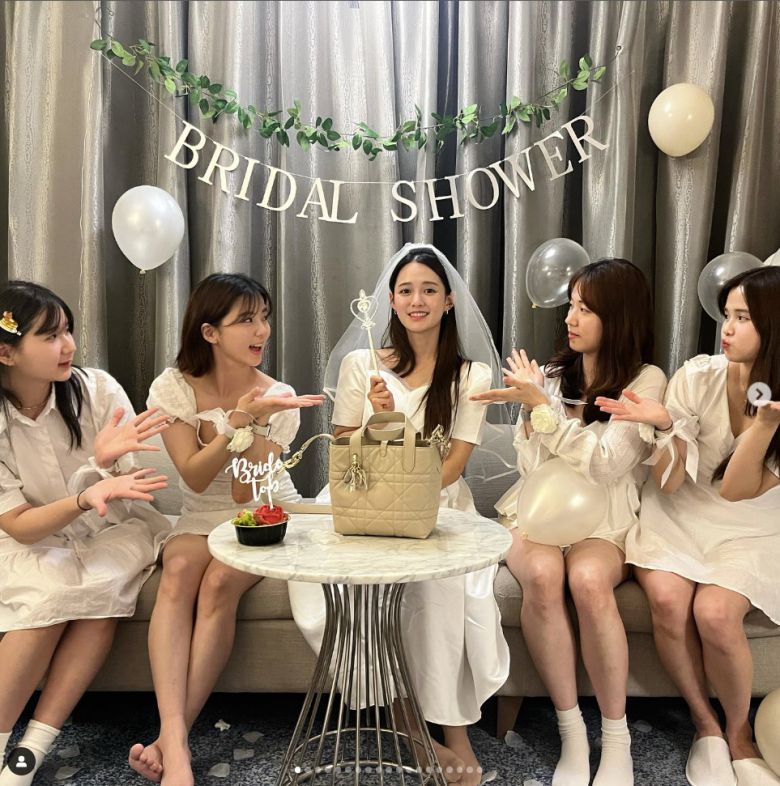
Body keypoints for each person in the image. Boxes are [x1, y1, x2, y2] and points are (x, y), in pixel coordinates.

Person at [288, 244, 510, 786]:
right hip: (363, 500)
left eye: (429, 290)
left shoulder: (472, 374)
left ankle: (455, 731)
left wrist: (411, 494)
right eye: (406, 290)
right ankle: (409, 723)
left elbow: (453, 465)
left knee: (442, 590)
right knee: (364, 591)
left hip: (438, 504)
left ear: (449, 300)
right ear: (390, 300)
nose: (417, 300)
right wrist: (378, 420)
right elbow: (345, 452)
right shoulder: (361, 364)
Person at [473, 258, 666, 786]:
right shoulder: (554, 377)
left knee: (587, 581)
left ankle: (617, 739)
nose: (570, 318)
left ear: (618, 315)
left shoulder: (646, 381)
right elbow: (531, 467)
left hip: (604, 519)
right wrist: (535, 409)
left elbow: (606, 465)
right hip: (535, 509)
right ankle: (572, 732)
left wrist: (545, 411)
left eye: (585, 308)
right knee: (541, 575)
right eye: (571, 306)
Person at [128, 273, 324, 786]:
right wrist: (236, 421)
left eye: (264, 318)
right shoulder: (173, 387)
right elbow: (194, 476)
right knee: (180, 571)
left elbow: (243, 494)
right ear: (210, 332)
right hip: (198, 513)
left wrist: (254, 423)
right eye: (247, 320)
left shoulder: (277, 396)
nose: (262, 331)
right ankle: (175, 739)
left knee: (218, 583)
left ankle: (172, 742)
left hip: (263, 510)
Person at [597, 266, 780, 786]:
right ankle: (706, 725)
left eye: (743, 318)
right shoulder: (698, 376)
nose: (727, 329)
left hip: (750, 522)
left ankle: (740, 733)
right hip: (677, 511)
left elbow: (737, 490)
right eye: (727, 315)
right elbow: (672, 481)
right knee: (669, 601)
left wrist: (765, 425)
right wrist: (664, 427)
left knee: (716, 614)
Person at [0, 281, 169, 786]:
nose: (68, 345)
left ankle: (28, 754)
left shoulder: (97, 390)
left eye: (68, 330)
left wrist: (107, 464)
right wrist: (86, 487)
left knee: (101, 590)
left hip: (110, 529)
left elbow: (134, 485)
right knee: (48, 596)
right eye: (51, 335)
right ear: (6, 353)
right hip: (31, 536)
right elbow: (21, 526)